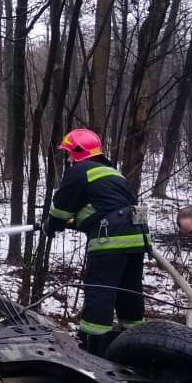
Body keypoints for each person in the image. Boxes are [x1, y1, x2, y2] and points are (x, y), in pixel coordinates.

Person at [44, 128, 150, 355]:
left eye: (70, 153)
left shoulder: (80, 170)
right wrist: (80, 221)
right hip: (138, 237)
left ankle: (92, 349)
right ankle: (138, 346)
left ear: (78, 152)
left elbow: (61, 209)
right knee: (129, 292)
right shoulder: (113, 173)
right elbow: (105, 206)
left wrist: (51, 224)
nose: (69, 158)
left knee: (100, 292)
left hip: (110, 241)